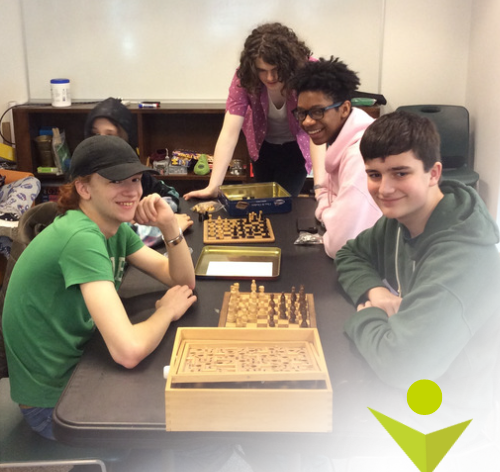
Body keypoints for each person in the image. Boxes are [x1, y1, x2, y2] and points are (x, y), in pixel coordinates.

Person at [2, 135, 197, 441]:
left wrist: (170, 226)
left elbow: (182, 281)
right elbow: (128, 351)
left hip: (78, 372)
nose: (132, 190)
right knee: (185, 424)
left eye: (136, 179)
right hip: (54, 406)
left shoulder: (112, 227)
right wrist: (166, 312)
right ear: (83, 188)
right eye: (116, 181)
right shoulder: (81, 237)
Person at [335, 111, 500, 416]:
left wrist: (366, 316)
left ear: (434, 173)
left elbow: (402, 366)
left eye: (400, 173)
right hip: (418, 380)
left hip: (447, 410)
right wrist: (376, 292)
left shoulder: (462, 258)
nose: (384, 189)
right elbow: (350, 253)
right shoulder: (401, 220)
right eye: (374, 174)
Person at [183, 22, 326, 199]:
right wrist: (214, 185)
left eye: (276, 70)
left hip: (296, 148)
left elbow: (316, 128)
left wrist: (320, 186)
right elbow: (229, 132)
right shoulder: (245, 76)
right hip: (262, 147)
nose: (270, 77)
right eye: (262, 71)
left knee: (283, 204)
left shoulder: (309, 71)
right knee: (263, 202)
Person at [290, 57, 381, 258]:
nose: (307, 122)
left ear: (345, 109)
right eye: (302, 113)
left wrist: (326, 214)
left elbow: (340, 246)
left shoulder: (359, 155)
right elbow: (326, 193)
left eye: (317, 112)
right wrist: (331, 213)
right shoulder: (343, 140)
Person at [84, 97, 192, 236]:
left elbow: (170, 194)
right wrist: (170, 227)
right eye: (95, 134)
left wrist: (144, 213)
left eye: (109, 135)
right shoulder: (88, 176)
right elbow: (115, 237)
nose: (100, 140)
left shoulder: (130, 170)